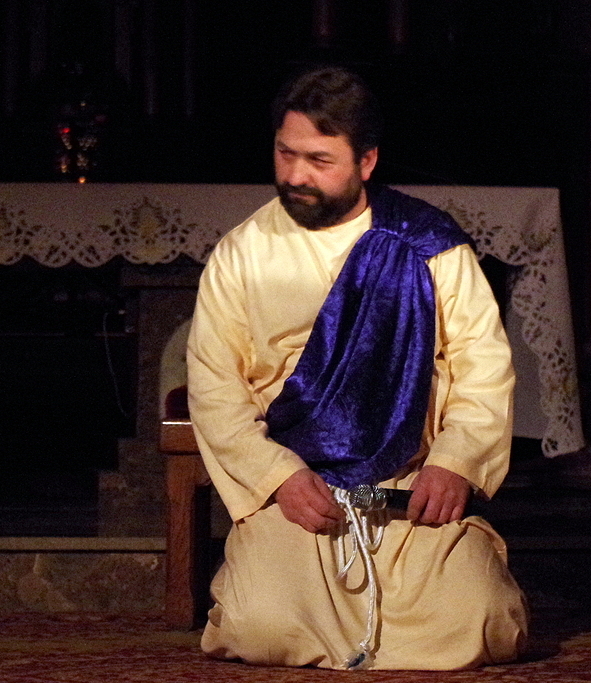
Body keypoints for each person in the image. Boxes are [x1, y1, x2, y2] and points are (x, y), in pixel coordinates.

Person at [186, 66, 527, 671]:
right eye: (285, 153)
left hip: (406, 486)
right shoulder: (241, 255)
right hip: (298, 493)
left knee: (481, 623)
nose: (296, 175)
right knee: (259, 628)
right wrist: (278, 477)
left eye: (319, 160)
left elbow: (483, 367)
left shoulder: (428, 244)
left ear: (367, 161)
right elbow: (216, 391)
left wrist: (455, 461)